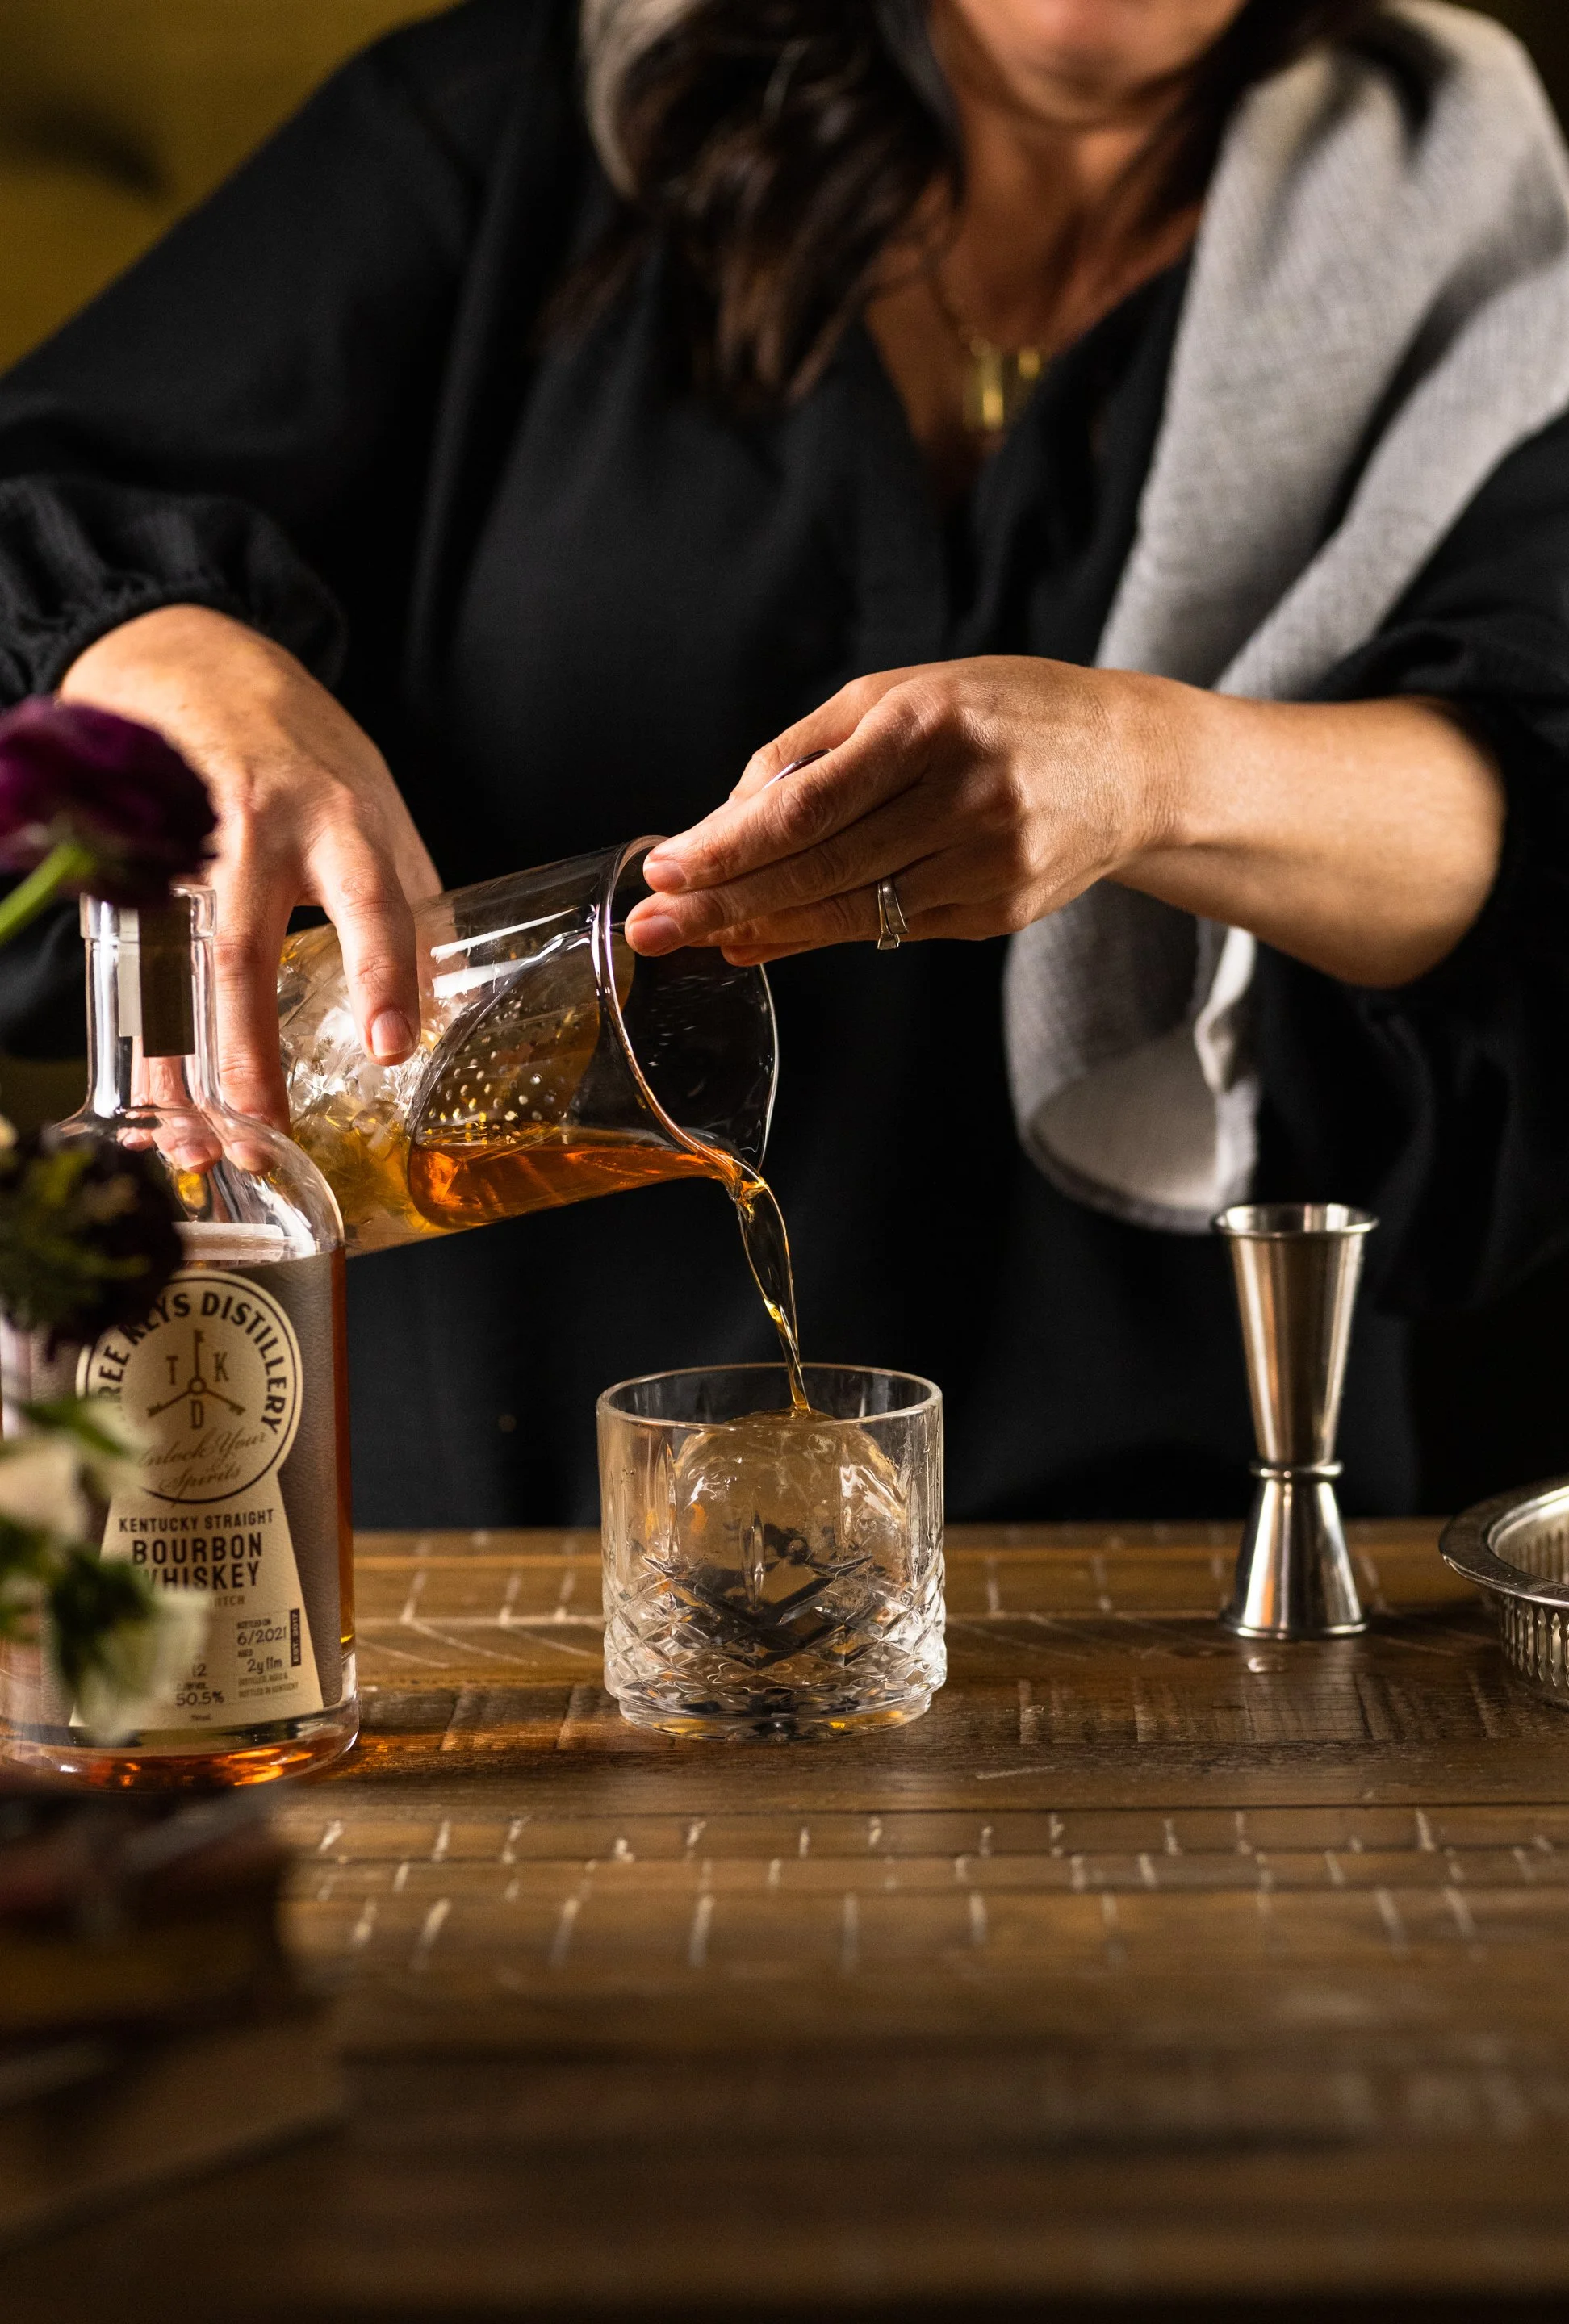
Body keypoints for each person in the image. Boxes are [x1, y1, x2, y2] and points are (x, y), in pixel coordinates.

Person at [0, 0, 1565, 1525]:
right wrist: (161, 649)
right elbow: (39, 498)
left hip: (1191, 1558)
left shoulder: (1468, 221)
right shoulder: (516, 116)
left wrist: (1161, 771)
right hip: (477, 1575)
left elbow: (1531, 793)